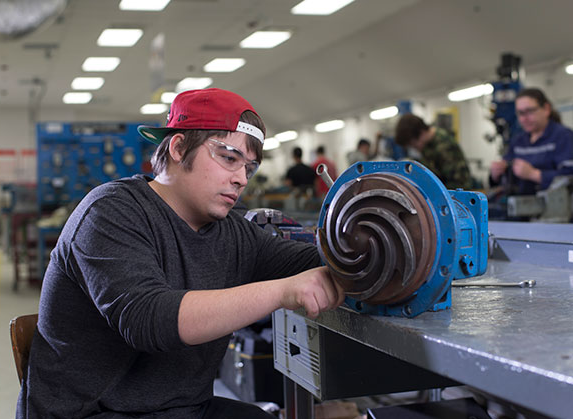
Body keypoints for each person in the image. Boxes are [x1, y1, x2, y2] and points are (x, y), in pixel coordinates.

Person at [17, 88, 344, 418]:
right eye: (229, 158)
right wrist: (284, 291)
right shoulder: (110, 212)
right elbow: (148, 319)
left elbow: (313, 260)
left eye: (250, 167)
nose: (241, 179)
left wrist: (361, 243)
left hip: (184, 409)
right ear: (178, 147)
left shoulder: (234, 233)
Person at [490, 87, 573, 195]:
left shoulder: (563, 136)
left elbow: (569, 176)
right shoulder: (518, 141)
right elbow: (504, 176)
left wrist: (533, 174)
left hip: (556, 207)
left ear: (546, 109)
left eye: (529, 111)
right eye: (520, 113)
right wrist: (496, 174)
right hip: (520, 206)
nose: (524, 118)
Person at [394, 113, 473, 190]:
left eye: (413, 144)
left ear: (421, 133)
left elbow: (457, 182)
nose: (414, 148)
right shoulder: (427, 145)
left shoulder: (443, 145)